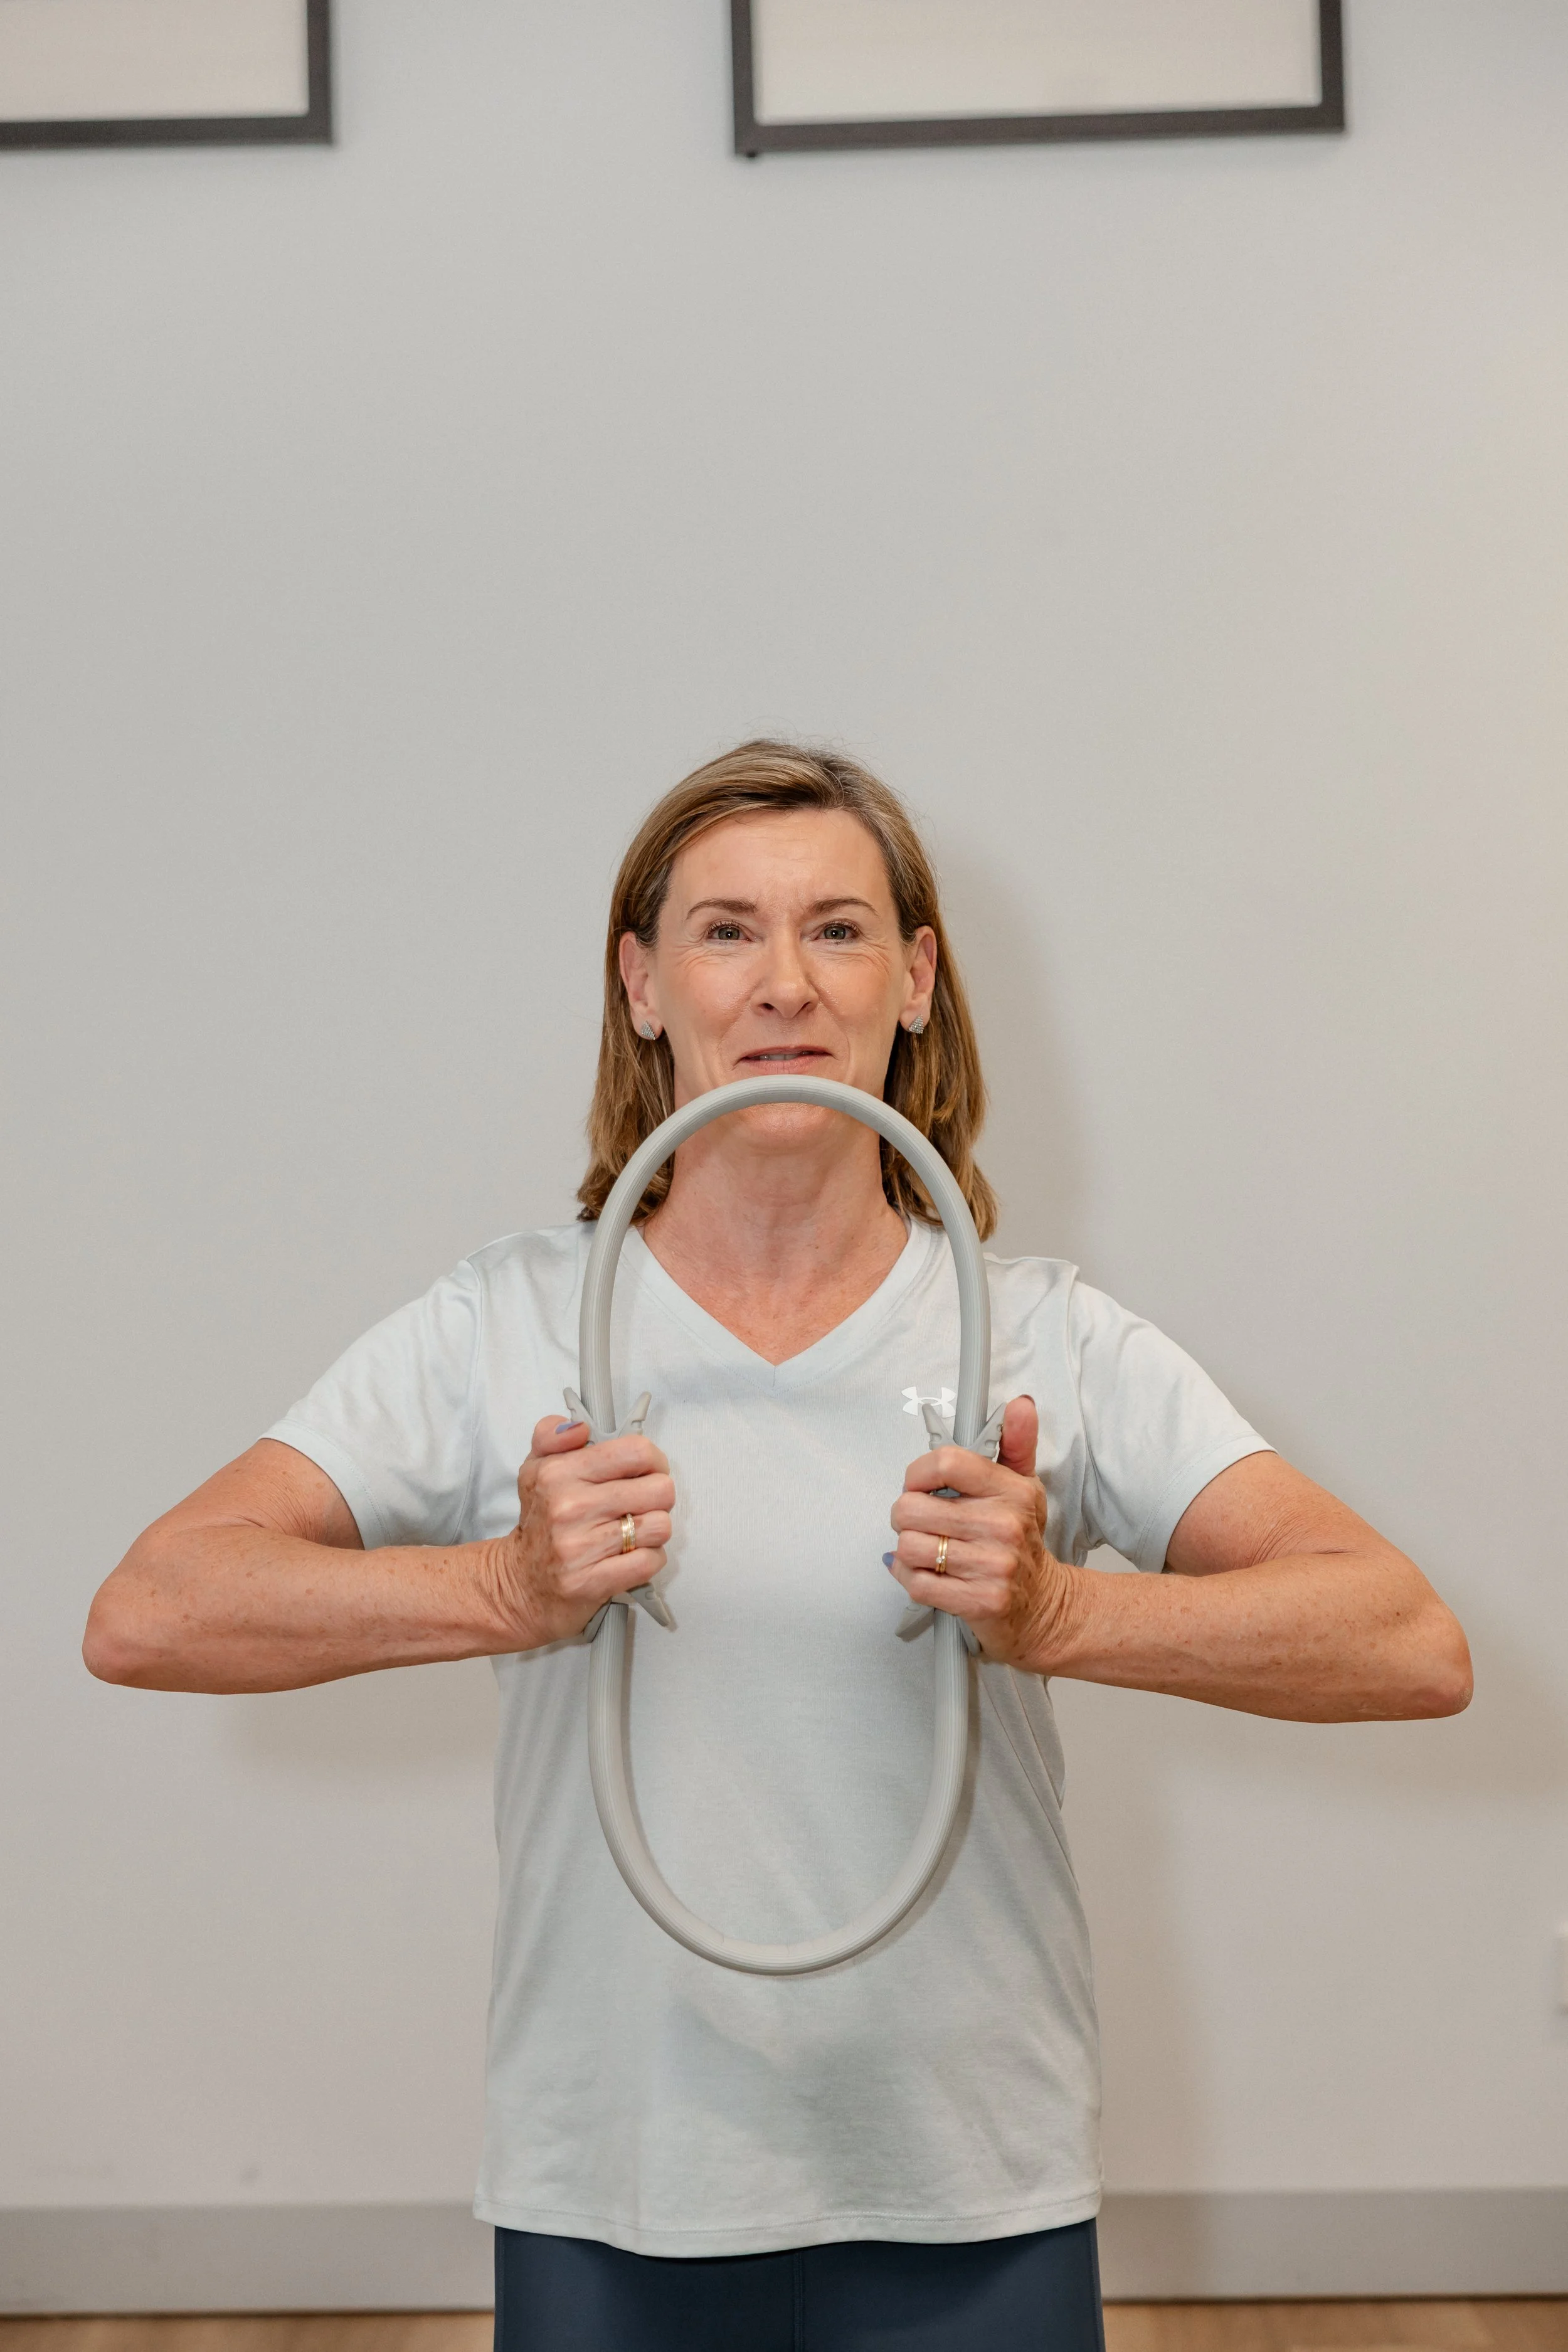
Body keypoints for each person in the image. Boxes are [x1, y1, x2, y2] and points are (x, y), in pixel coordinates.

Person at [85, 741, 1472, 2352]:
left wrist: (1063, 1614)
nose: (781, 983)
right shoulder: (508, 1322)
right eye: (725, 931)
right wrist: (500, 1587)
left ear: (915, 979)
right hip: (615, 2181)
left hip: (968, 2181)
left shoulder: (1040, 1336)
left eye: (835, 929)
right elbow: (151, 1609)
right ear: (643, 985)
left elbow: (1404, 1643)